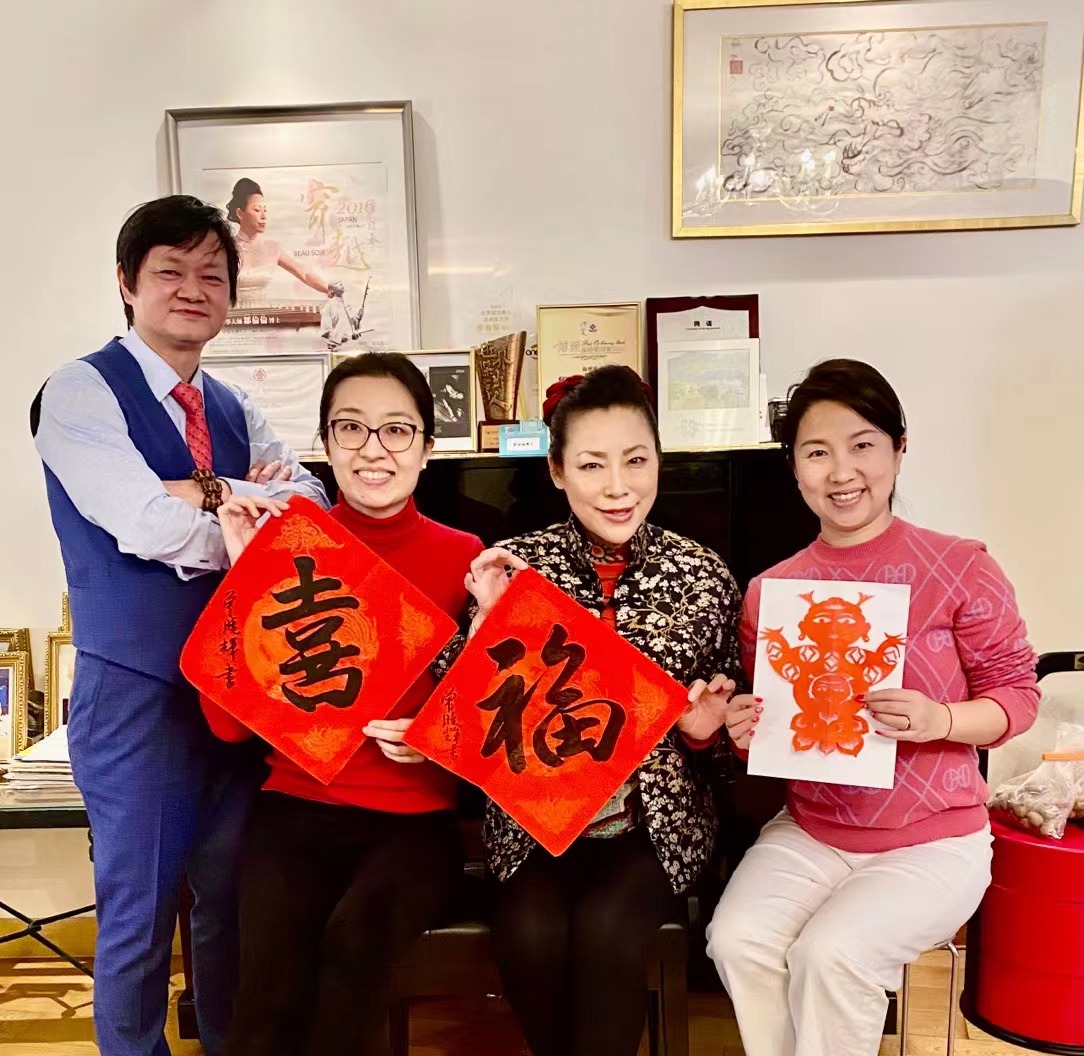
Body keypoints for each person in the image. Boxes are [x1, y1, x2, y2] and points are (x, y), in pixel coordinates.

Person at [32, 194, 329, 1056]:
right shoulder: (79, 390)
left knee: (231, 902)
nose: (192, 289)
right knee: (140, 914)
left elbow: (310, 501)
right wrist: (241, 516)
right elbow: (144, 524)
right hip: (138, 691)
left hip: (238, 689)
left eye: (212, 274)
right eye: (170, 271)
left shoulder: (231, 404)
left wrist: (217, 492)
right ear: (127, 283)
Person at [705, 359, 1040, 1056]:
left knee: (832, 955)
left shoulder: (961, 564)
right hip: (813, 830)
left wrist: (941, 719)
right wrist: (744, 729)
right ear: (793, 466)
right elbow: (773, 729)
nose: (841, 472)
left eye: (862, 445)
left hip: (935, 838)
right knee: (736, 939)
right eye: (816, 452)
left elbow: (1017, 696)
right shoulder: (772, 591)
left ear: (899, 448)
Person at [455, 365, 743, 1056]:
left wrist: (703, 734)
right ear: (557, 470)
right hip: (533, 825)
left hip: (652, 826)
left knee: (610, 933)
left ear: (659, 460)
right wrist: (484, 629)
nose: (618, 486)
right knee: (530, 935)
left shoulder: (704, 575)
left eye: (636, 460)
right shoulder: (513, 569)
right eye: (591, 465)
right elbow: (465, 722)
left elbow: (732, 750)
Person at [203, 353, 484, 1056]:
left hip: (414, 824)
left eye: (397, 430)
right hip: (295, 808)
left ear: (427, 446)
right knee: (265, 997)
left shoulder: (467, 558)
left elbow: (486, 726)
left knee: (352, 945)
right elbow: (227, 727)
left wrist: (432, 733)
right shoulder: (287, 547)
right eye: (351, 428)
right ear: (325, 445)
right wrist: (246, 578)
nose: (373, 450)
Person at [225, 177, 333, 307]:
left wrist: (330, 289)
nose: (264, 216)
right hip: (232, 315)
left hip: (264, 315)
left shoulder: (272, 248)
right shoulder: (226, 248)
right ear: (240, 213)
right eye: (257, 210)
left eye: (265, 210)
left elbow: (304, 274)